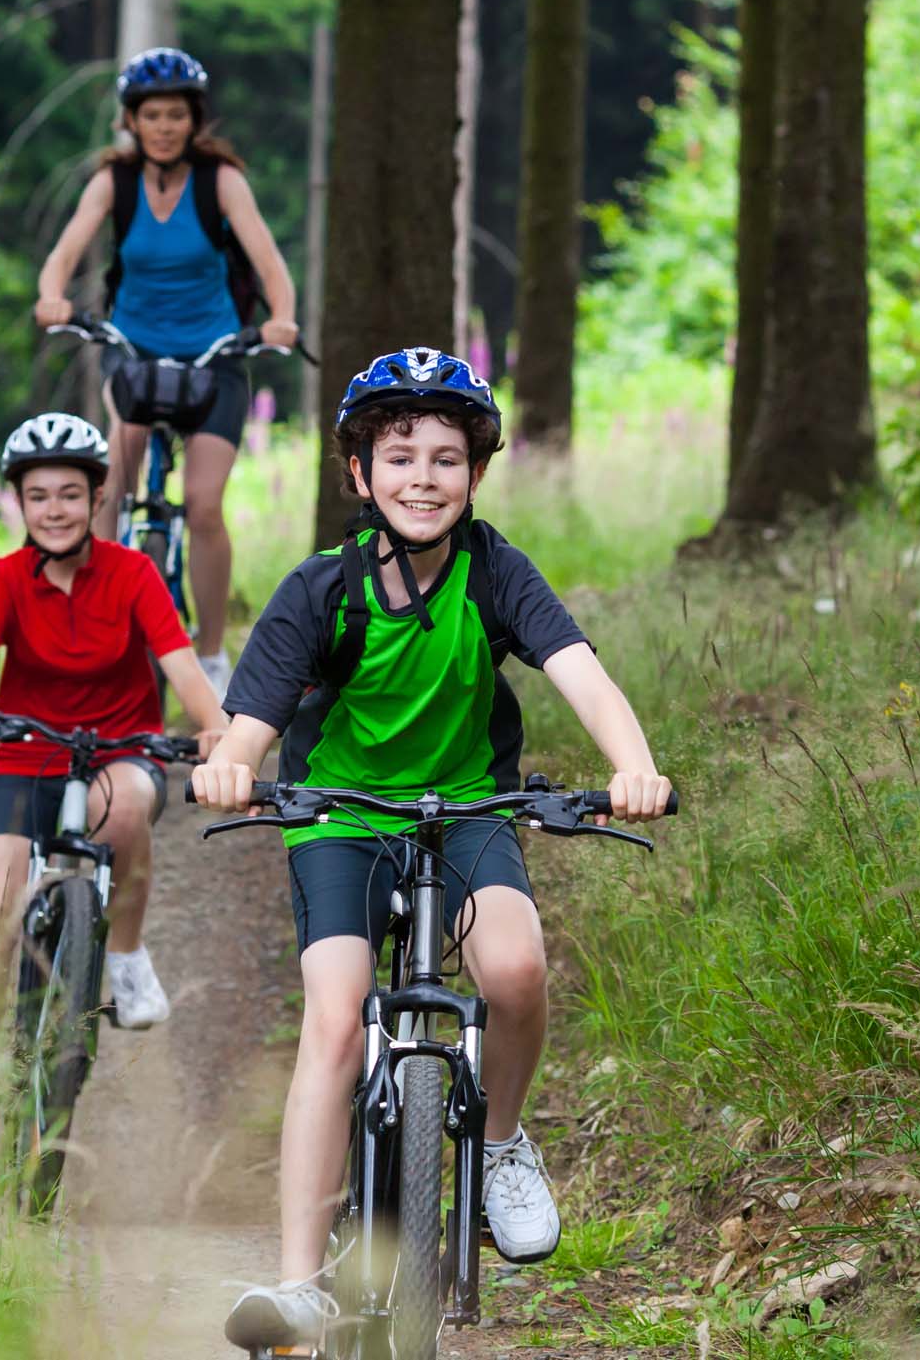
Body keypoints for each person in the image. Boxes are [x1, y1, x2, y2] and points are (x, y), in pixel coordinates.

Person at [190, 349, 675, 1350]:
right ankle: (300, 1282)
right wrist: (231, 766)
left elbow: (580, 671)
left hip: (467, 808)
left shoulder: (494, 571)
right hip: (340, 814)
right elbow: (252, 723)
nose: (422, 478)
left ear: (476, 474)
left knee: (516, 968)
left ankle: (497, 1147)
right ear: (359, 473)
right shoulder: (322, 589)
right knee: (335, 1018)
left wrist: (633, 764)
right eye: (399, 456)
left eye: (446, 459)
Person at [0, 413, 229, 1146]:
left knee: (124, 809)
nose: (54, 509)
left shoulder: (133, 573)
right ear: (20, 504)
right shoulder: (7, 578)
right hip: (27, 757)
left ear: (97, 499)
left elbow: (183, 667)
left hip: (121, 751)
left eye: (70, 494)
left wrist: (216, 730)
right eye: (38, 496)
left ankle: (123, 954)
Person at [33, 46, 300, 700]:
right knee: (109, 490)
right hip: (135, 352)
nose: (163, 127)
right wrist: (51, 297)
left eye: (176, 115)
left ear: (194, 119)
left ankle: (211, 654)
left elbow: (270, 263)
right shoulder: (114, 182)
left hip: (215, 358)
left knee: (204, 506)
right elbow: (65, 251)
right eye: (151, 115)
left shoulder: (220, 182)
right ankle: (93, 624)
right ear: (131, 119)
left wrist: (282, 318)